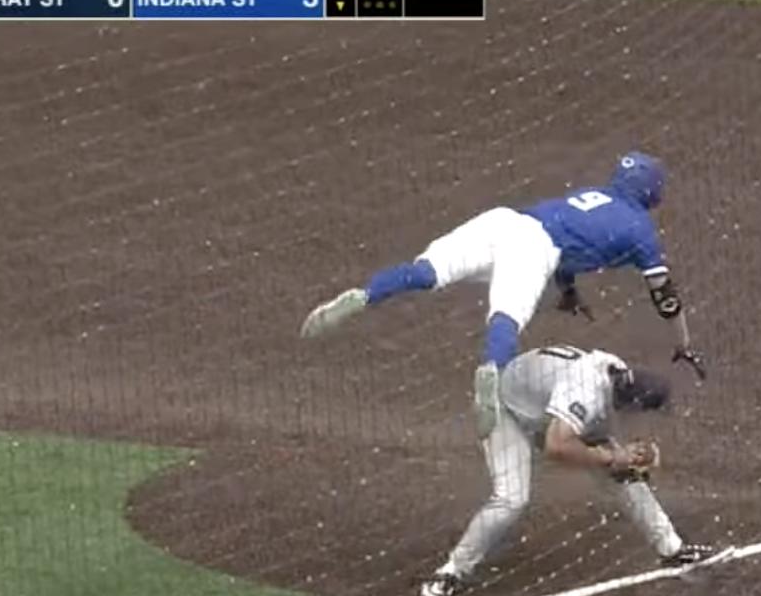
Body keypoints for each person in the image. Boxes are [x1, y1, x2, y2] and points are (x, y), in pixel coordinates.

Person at [300, 152, 709, 439]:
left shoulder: (593, 197)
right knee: (506, 316)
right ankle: (491, 373)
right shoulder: (641, 233)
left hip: (504, 221)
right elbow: (665, 296)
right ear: (653, 193)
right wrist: (683, 343)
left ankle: (366, 295)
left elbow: (577, 246)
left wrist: (567, 291)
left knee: (426, 272)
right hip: (535, 250)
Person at [417, 344, 733, 596]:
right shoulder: (585, 391)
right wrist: (611, 456)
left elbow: (593, 440)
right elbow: (557, 446)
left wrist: (625, 460)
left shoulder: (616, 376)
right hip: (506, 410)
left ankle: (674, 551)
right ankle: (449, 574)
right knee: (512, 499)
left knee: (622, 474)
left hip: (545, 410)